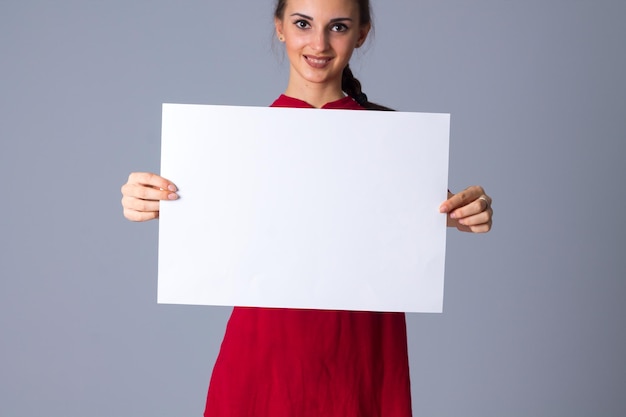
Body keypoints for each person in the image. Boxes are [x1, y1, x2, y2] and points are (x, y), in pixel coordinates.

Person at [121, 0, 493, 415]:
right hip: (265, 361)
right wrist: (150, 200)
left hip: (363, 359)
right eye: (303, 23)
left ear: (361, 33)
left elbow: (429, 213)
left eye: (337, 27)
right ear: (280, 27)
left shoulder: (394, 142)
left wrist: (464, 212)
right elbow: (192, 211)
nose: (318, 43)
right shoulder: (231, 145)